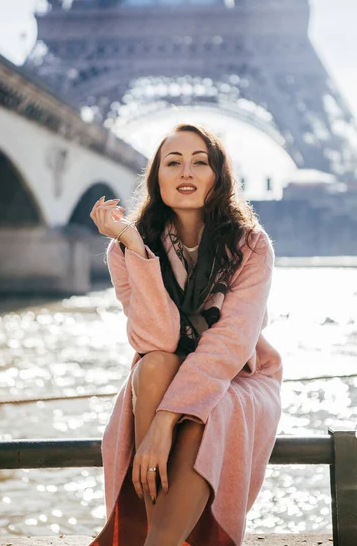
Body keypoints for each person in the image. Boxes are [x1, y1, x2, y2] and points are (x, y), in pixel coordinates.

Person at [88, 124, 283, 546]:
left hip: (237, 378)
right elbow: (157, 340)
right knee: (154, 366)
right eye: (172, 163)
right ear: (157, 178)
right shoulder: (127, 248)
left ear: (219, 176)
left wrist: (163, 420)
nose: (186, 172)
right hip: (165, 375)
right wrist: (138, 251)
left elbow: (230, 344)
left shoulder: (251, 246)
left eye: (200, 162)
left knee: (201, 420)